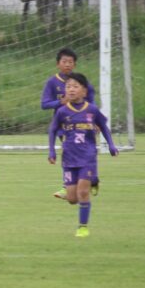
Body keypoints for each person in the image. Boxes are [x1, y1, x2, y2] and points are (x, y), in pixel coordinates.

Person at [48, 73, 118, 238]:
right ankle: (94, 181)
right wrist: (51, 150)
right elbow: (52, 130)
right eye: (68, 87)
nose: (71, 90)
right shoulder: (62, 111)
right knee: (72, 199)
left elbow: (103, 126)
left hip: (88, 157)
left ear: (84, 91)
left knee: (83, 193)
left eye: (75, 86)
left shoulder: (92, 110)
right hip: (69, 158)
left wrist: (111, 145)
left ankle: (82, 227)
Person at [40, 48, 97, 198]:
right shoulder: (52, 82)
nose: (67, 65)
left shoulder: (81, 82)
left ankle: (88, 178)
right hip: (63, 126)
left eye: (70, 62)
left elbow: (92, 100)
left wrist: (94, 119)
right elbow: (44, 104)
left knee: (83, 152)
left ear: (75, 64)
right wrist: (60, 102)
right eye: (64, 62)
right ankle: (69, 186)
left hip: (83, 126)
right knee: (69, 152)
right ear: (58, 64)